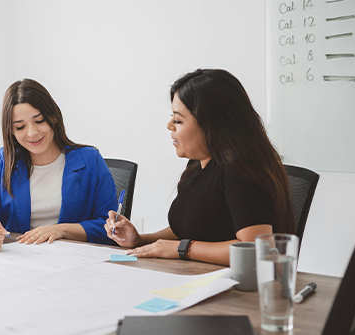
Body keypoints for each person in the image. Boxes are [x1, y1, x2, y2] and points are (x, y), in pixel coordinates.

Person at [105, 68, 295, 266]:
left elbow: (256, 249)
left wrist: (182, 248)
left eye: (178, 119)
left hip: (235, 288)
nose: (170, 125)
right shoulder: (197, 165)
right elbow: (191, 228)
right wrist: (140, 240)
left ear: (210, 124)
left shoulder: (240, 171)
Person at [0, 79, 117, 252]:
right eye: (20, 127)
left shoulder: (90, 160)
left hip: (75, 261)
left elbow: (110, 225)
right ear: (11, 131)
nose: (32, 133)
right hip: (19, 262)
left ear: (53, 117)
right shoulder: (0, 163)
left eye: (39, 120)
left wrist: (60, 230)